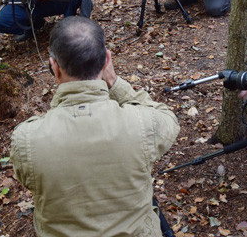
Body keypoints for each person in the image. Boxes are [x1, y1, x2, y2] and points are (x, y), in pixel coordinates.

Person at [10, 16, 180, 236]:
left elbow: (28, 178)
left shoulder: (27, 139)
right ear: (106, 60)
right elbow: (169, 119)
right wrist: (116, 84)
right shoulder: (143, 124)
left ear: (54, 67)